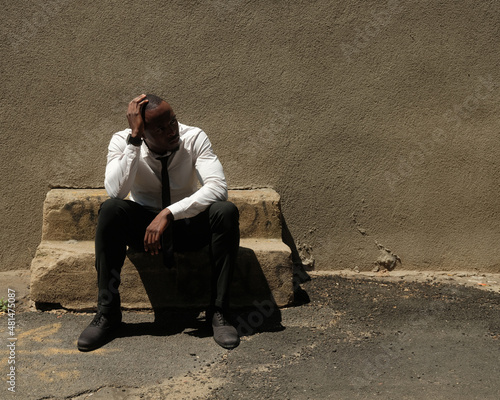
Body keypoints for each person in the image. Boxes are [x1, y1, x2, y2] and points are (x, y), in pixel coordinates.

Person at [77, 94, 240, 351]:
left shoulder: (194, 137)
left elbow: (218, 187)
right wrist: (134, 141)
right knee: (110, 210)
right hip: (145, 232)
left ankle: (219, 312)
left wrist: (169, 213)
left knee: (225, 211)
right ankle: (108, 313)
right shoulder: (123, 141)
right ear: (143, 131)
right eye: (161, 128)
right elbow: (116, 192)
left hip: (186, 224)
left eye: (173, 122)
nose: (172, 131)